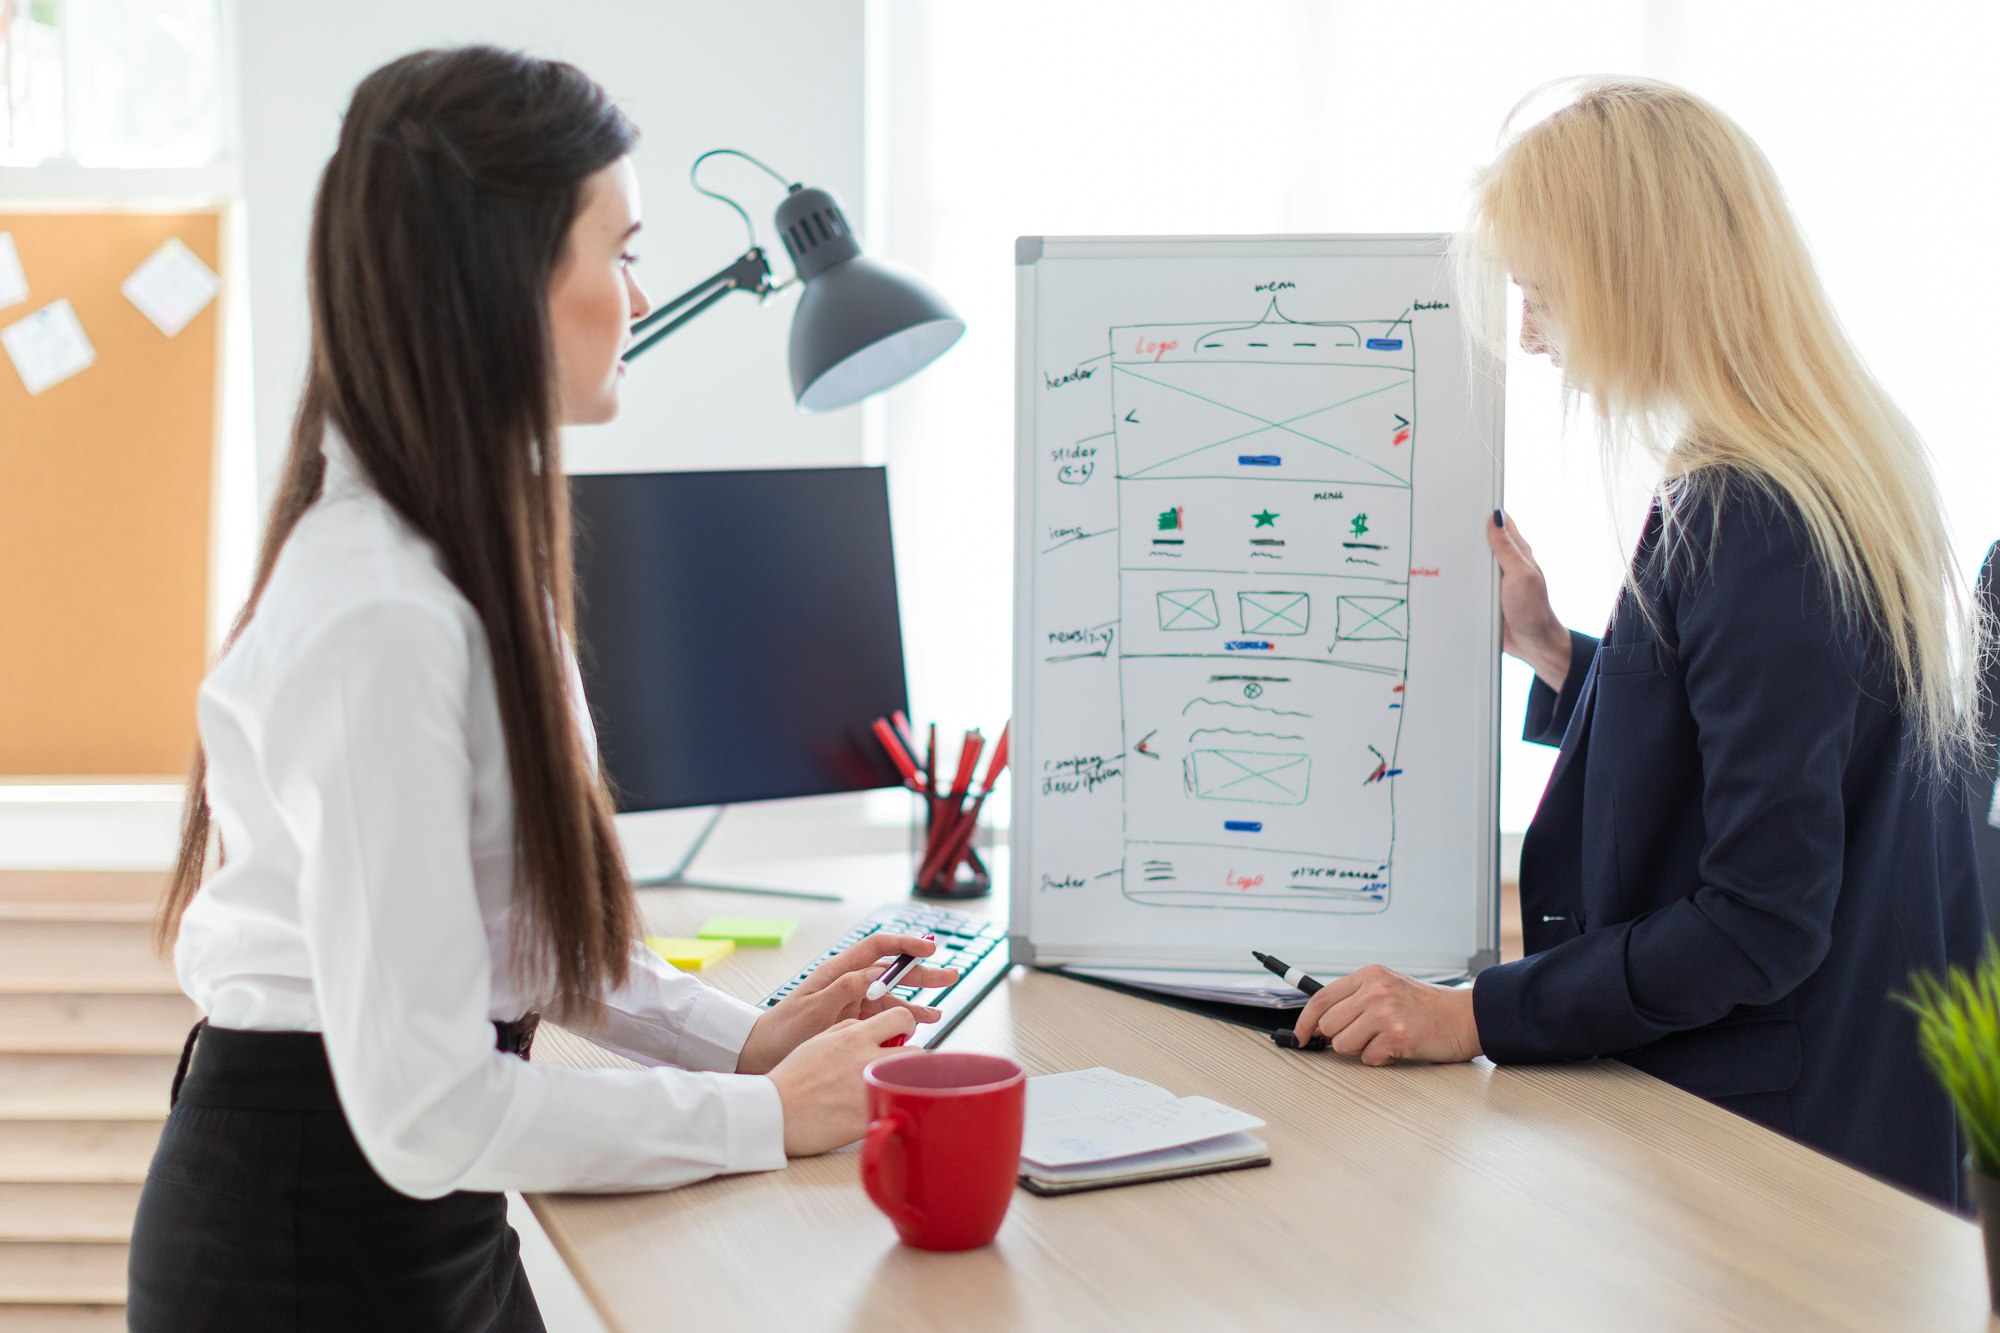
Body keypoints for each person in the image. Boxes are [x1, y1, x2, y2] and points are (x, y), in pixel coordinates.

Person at [126, 46, 953, 1330]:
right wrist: (759, 1116)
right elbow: (428, 1111)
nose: (641, 294)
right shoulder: (380, 612)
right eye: (620, 251)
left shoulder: (462, 546)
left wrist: (747, 1043)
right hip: (311, 1239)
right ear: (505, 280)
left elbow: (518, 923)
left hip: (418, 1207)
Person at [1290, 77, 1987, 1208]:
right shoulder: (1834, 463)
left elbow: (1759, 919)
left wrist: (1471, 1012)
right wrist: (1553, 650)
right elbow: (1770, 739)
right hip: (1860, 1111)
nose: (1526, 332)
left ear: (1632, 279)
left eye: (1538, 290)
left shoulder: (1749, 513)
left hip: (1777, 1154)